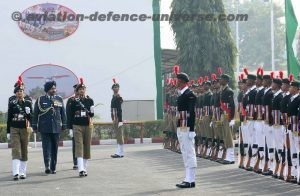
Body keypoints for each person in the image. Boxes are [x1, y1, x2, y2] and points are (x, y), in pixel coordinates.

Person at [32, 81, 67, 174]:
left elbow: (63, 113)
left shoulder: (59, 99)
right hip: (44, 127)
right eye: (52, 88)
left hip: (56, 127)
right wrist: (34, 126)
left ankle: (53, 167)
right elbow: (35, 114)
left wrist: (64, 124)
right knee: (46, 147)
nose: (54, 90)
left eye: (55, 88)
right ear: (48, 90)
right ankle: (47, 165)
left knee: (55, 148)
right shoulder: (40, 100)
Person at [174, 68, 197, 189]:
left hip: (187, 127)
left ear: (182, 81)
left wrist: (192, 130)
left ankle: (191, 179)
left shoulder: (190, 94)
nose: (176, 82)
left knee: (189, 152)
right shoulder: (181, 94)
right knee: (184, 152)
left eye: (177, 80)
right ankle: (188, 178)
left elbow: (192, 113)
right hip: (181, 126)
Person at [67, 78, 94, 177]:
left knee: (87, 146)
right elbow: (69, 115)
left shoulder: (90, 100)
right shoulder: (73, 101)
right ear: (77, 91)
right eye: (80, 89)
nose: (82, 90)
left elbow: (91, 115)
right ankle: (81, 168)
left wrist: (92, 112)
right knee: (79, 146)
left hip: (87, 125)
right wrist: (70, 128)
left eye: (83, 89)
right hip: (77, 125)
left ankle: (84, 167)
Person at [7, 80, 33, 180]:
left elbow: (31, 117)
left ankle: (23, 172)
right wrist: (8, 131)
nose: (19, 93)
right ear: (15, 93)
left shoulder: (28, 102)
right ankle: (16, 173)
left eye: (21, 91)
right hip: (14, 127)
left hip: (24, 128)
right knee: (16, 150)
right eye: (17, 91)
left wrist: (28, 113)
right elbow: (9, 117)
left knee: (24, 150)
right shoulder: (12, 102)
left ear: (23, 92)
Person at [219, 73, 235, 164]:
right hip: (223, 116)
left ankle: (231, 157)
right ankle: (229, 157)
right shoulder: (223, 90)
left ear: (226, 81)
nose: (220, 81)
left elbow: (232, 105)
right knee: (225, 136)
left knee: (228, 137)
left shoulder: (229, 91)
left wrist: (231, 118)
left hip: (227, 116)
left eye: (221, 79)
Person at [110, 78, 124, 158]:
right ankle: (119, 152)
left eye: (117, 87)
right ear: (112, 89)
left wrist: (120, 120)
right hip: (114, 118)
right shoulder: (113, 97)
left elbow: (119, 109)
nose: (115, 88)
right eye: (114, 87)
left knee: (119, 135)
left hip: (118, 118)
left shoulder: (118, 97)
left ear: (118, 89)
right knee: (118, 135)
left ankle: (120, 153)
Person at [66, 84, 79, 170]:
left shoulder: (86, 99)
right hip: (74, 125)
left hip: (84, 124)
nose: (76, 92)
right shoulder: (70, 100)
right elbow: (68, 115)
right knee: (75, 145)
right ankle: (76, 162)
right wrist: (70, 128)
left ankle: (82, 161)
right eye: (75, 90)